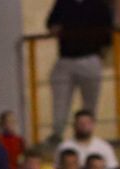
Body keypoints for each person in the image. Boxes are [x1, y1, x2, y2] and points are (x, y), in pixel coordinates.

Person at [46, 0, 112, 142]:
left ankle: (87, 134)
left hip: (89, 57)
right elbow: (51, 24)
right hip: (66, 58)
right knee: (60, 101)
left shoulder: (99, 4)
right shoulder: (64, 2)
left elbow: (108, 31)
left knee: (90, 101)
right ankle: (57, 133)